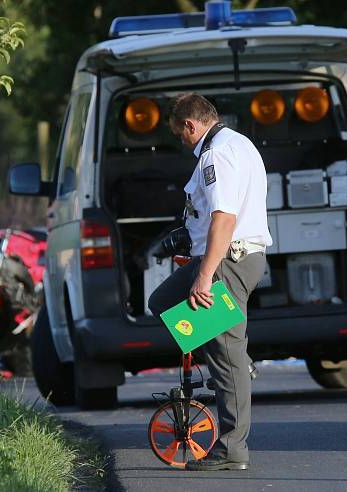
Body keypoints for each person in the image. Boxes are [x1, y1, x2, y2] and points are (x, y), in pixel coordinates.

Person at [148, 93, 271, 471]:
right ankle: (239, 364)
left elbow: (224, 218)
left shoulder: (216, 154)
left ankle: (233, 447)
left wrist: (204, 275)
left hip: (227, 261)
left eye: (180, 134)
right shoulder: (239, 143)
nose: (181, 141)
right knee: (163, 302)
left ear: (190, 125)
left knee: (225, 351)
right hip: (226, 257)